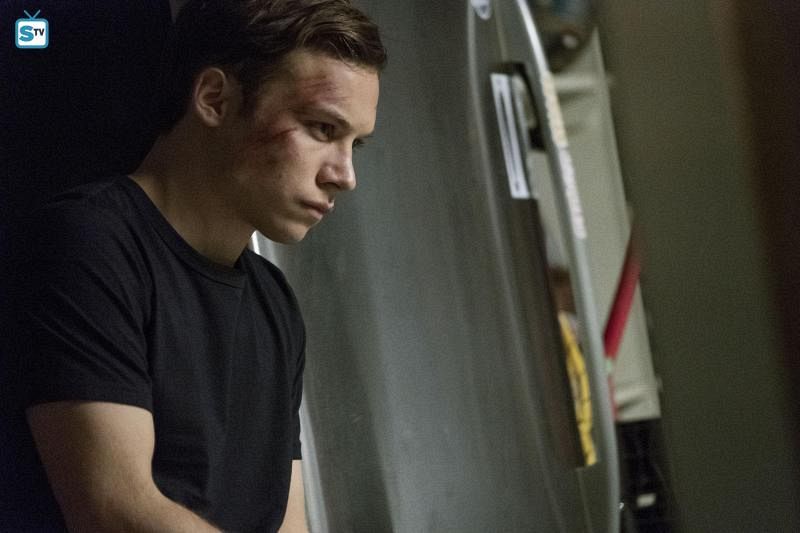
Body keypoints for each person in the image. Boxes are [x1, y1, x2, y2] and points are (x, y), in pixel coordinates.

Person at [0, 0, 385, 531]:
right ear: (214, 99)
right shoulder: (89, 244)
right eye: (322, 128)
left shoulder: (274, 302)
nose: (345, 175)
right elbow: (116, 510)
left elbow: (287, 522)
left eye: (354, 144)